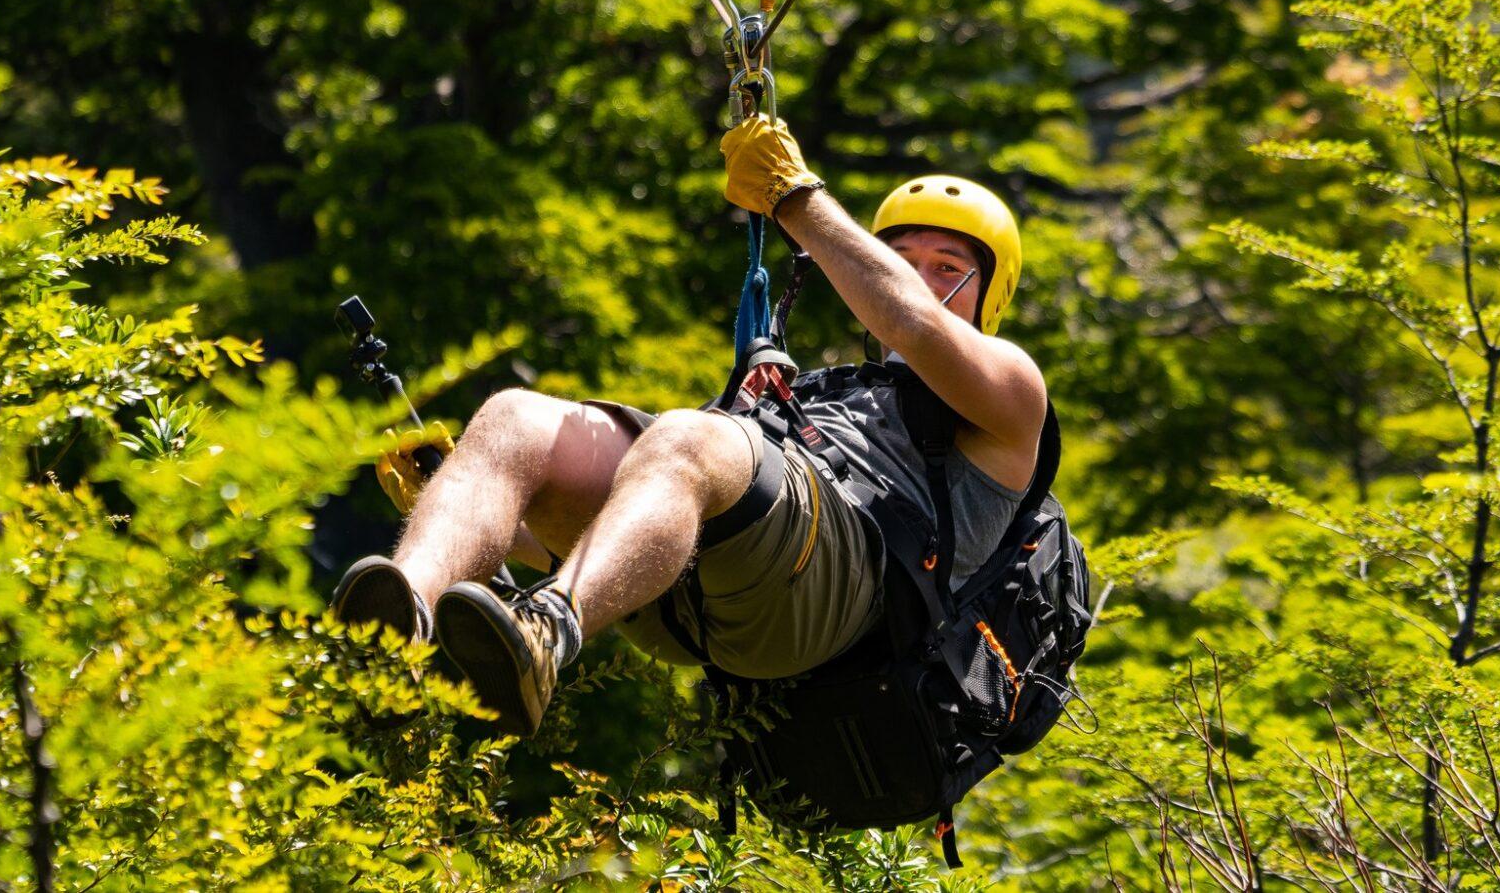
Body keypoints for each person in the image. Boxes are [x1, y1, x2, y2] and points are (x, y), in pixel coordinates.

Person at [330, 115, 1050, 736]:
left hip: (837, 599)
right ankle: (399, 630)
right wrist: (472, 508)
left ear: (992, 293)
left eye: (949, 266)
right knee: (514, 421)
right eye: (901, 258)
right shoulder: (833, 388)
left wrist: (792, 195)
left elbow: (914, 324)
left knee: (692, 435)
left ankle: (548, 631)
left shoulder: (1012, 394)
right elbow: (648, 512)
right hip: (700, 587)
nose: (921, 278)